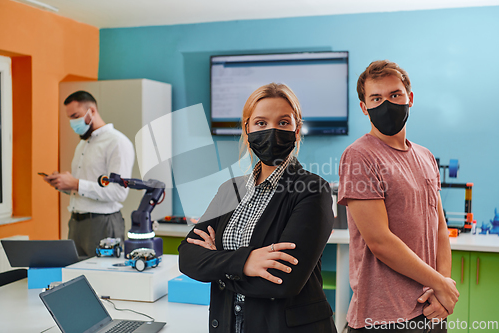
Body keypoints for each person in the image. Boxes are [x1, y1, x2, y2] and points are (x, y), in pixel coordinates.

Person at [178, 83, 337, 333]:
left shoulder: (313, 189)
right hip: (229, 323)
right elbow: (188, 257)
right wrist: (246, 262)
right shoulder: (230, 189)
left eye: (283, 122)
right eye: (261, 123)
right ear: (247, 130)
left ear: (296, 131)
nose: (271, 131)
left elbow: (282, 281)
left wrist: (216, 264)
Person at [338, 60, 459, 332]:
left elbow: (440, 229)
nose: (387, 104)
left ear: (410, 98)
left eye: (395, 95)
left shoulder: (426, 157)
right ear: (364, 107)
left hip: (430, 309)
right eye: (376, 98)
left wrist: (442, 288)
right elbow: (380, 241)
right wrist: (442, 285)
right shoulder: (359, 156)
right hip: (383, 317)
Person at [44, 91, 135, 257]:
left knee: (102, 279)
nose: (72, 122)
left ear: (92, 111)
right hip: (76, 223)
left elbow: (119, 192)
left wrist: (75, 183)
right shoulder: (83, 144)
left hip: (103, 224)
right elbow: (82, 187)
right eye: (69, 117)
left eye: (75, 116)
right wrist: (63, 183)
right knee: (74, 276)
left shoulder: (117, 142)